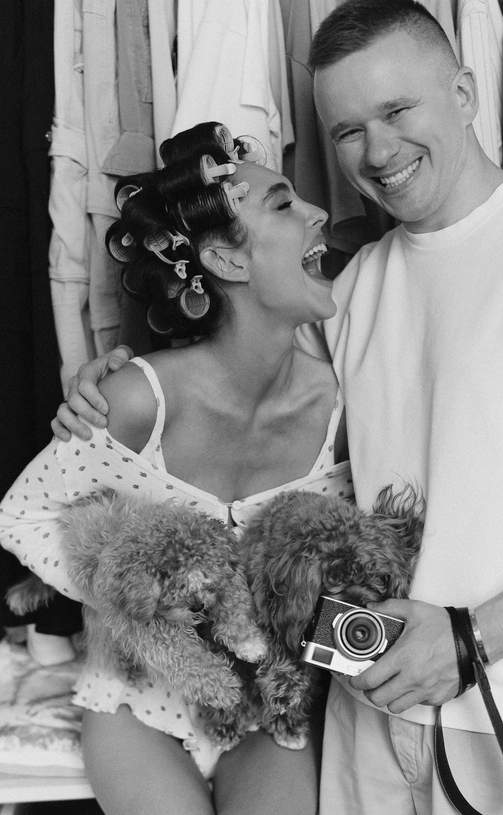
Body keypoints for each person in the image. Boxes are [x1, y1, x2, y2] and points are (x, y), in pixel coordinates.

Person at [55, 2, 503, 814]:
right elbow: (233, 382)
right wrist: (117, 384)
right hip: (365, 722)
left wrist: (470, 639)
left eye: (398, 111)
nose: (379, 151)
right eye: (347, 131)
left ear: (466, 93)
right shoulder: (352, 287)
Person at [0, 121, 352, 815]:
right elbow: (21, 515)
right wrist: (135, 595)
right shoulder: (140, 399)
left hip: (267, 709)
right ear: (225, 259)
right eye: (284, 204)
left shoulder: (344, 410)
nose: (318, 213)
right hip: (136, 703)